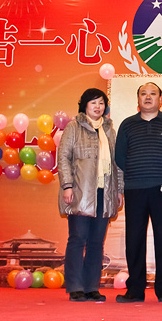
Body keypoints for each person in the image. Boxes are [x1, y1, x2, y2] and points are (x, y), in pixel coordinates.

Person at [115, 82, 162, 303]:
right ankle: (135, 290)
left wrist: (161, 172)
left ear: (160, 99)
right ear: (138, 99)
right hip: (134, 188)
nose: (148, 97)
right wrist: (137, 172)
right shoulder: (127, 125)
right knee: (134, 239)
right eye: (143, 93)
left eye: (153, 93)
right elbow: (120, 156)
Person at [57, 88, 124, 302]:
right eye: (93, 102)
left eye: (101, 103)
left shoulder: (109, 130)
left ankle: (91, 287)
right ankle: (75, 286)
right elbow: (63, 157)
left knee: (96, 242)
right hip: (80, 191)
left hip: (105, 193)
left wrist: (119, 190)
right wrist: (67, 186)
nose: (98, 106)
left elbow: (117, 164)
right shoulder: (74, 127)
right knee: (77, 239)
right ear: (84, 105)